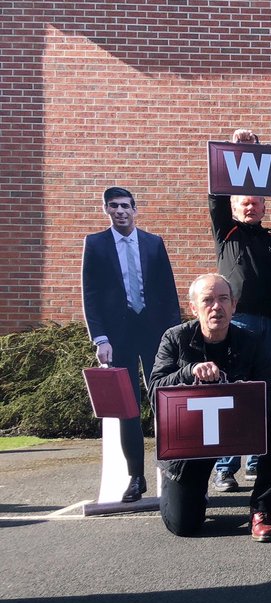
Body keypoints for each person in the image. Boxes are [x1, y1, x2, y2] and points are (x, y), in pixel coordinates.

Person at [148, 274, 271, 541]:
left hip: (238, 427)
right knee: (184, 526)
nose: (217, 306)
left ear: (234, 305)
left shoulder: (251, 341)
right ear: (194, 308)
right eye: (208, 300)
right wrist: (189, 372)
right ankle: (191, 489)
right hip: (192, 438)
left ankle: (261, 511)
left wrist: (241, 398)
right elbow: (154, 391)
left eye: (223, 299)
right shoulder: (174, 338)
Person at [209, 128, 271, 492]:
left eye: (256, 202)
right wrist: (239, 152)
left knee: (264, 389)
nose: (250, 206)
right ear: (235, 208)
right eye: (243, 203)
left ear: (265, 206)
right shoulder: (227, 232)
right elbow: (217, 194)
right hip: (236, 323)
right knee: (233, 390)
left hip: (269, 324)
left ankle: (255, 461)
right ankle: (224, 466)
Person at [81, 186, 180, 502]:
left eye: (125, 206)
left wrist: (174, 337)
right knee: (128, 410)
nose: (120, 211)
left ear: (135, 210)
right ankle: (136, 477)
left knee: (164, 403)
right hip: (117, 336)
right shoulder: (95, 245)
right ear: (106, 210)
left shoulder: (153, 243)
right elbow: (91, 296)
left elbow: (168, 292)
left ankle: (170, 471)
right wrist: (100, 338)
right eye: (114, 206)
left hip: (155, 334)